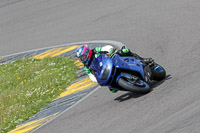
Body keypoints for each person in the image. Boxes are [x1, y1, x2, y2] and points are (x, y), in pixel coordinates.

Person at [76, 44, 153, 93]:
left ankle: (142, 59)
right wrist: (98, 80)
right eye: (81, 58)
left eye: (83, 57)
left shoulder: (95, 51)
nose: (83, 59)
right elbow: (91, 77)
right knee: (112, 89)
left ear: (88, 52)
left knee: (123, 51)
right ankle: (131, 85)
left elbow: (106, 47)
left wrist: (110, 50)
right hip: (107, 71)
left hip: (112, 60)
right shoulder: (87, 67)